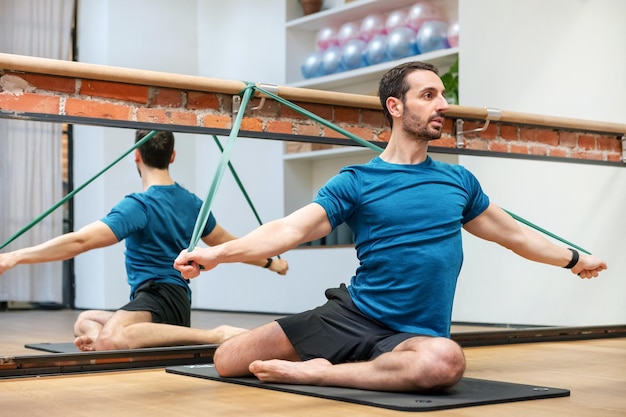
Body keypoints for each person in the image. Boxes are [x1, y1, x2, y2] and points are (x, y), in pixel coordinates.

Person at [173, 62, 607, 392]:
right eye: (429, 95)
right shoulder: (357, 181)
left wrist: (574, 259)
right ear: (395, 107)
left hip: (414, 336)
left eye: (442, 96)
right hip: (354, 314)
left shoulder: (458, 182)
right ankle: (348, 366)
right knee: (229, 358)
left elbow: (514, 234)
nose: (442, 105)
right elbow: (289, 230)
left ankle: (324, 374)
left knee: (444, 362)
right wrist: (216, 254)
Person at [0, 130, 289, 351]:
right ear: (172, 156)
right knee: (84, 320)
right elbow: (228, 244)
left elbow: (79, 242)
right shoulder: (192, 203)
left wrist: (14, 257)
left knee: (112, 337)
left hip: (161, 297)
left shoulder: (139, 205)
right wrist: (271, 263)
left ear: (136, 155)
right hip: (167, 300)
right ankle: (106, 339)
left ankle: (216, 335)